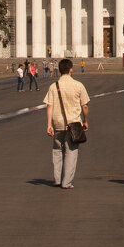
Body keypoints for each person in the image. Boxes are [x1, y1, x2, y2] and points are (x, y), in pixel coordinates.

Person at [43, 59, 90, 189]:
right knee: (71, 152)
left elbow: (49, 106)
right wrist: (85, 121)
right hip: (74, 123)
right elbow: (85, 106)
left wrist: (49, 124)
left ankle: (57, 180)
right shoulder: (78, 85)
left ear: (59, 69)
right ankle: (66, 182)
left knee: (57, 151)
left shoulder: (53, 86)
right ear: (71, 69)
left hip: (58, 123)